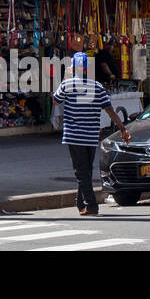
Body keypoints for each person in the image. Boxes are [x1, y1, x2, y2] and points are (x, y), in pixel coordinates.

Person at [51, 52, 132, 216]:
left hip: (74, 136)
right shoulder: (97, 86)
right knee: (86, 170)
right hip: (90, 136)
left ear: (74, 67)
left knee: (81, 172)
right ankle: (80, 202)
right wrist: (123, 129)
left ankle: (91, 205)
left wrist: (66, 76)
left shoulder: (68, 84)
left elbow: (55, 100)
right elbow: (110, 110)